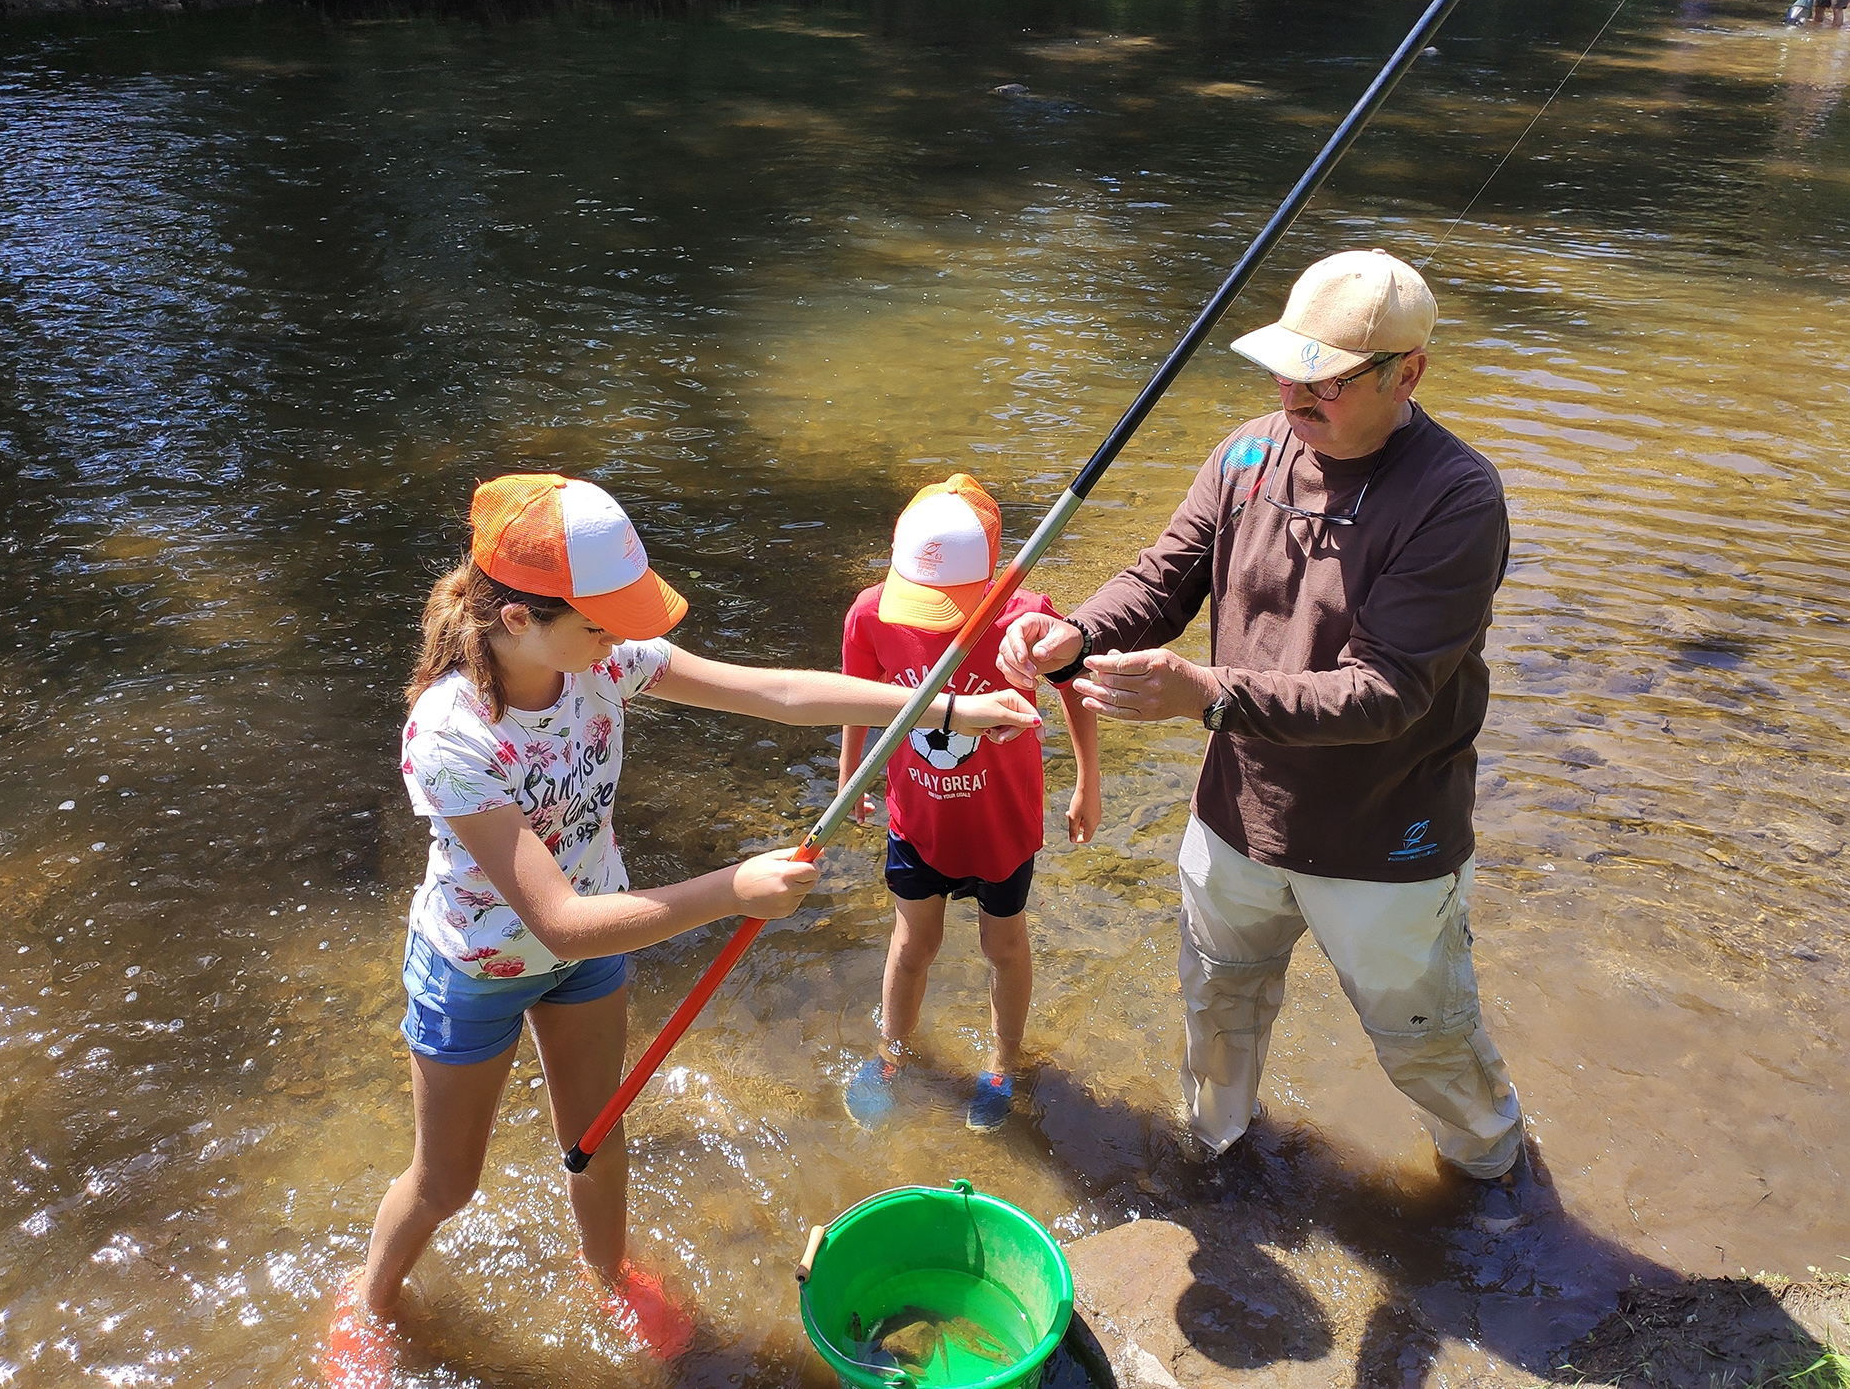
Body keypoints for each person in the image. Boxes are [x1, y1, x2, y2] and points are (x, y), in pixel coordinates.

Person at [325, 473, 1039, 1381]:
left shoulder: (602, 661)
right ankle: (370, 1298)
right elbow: (563, 922)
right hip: (482, 964)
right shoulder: (452, 734)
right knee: (447, 1181)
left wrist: (946, 709)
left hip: (591, 951)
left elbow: (779, 691)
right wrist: (733, 887)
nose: (622, 637)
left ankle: (607, 1272)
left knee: (594, 1133)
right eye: (600, 621)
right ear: (518, 621)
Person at [998, 250, 1526, 1208]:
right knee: (1219, 1011)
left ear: (1407, 372)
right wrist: (1073, 633)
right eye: (1285, 368)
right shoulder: (1248, 452)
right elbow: (1162, 578)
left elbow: (1386, 693)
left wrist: (1205, 695)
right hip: (1236, 818)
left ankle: (1492, 1184)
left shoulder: (1457, 498)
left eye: (1323, 377)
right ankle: (1217, 1159)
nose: (1295, 393)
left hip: (1387, 842)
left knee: (1427, 1044)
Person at [835, 475, 1101, 1133]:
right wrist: (854, 778)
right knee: (911, 943)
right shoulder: (872, 614)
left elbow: (1074, 686)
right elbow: (853, 699)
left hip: (1001, 826)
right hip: (917, 820)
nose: (927, 613)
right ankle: (892, 1055)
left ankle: (1003, 1063)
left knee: (1002, 943)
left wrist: (1087, 781)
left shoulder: (1026, 615)